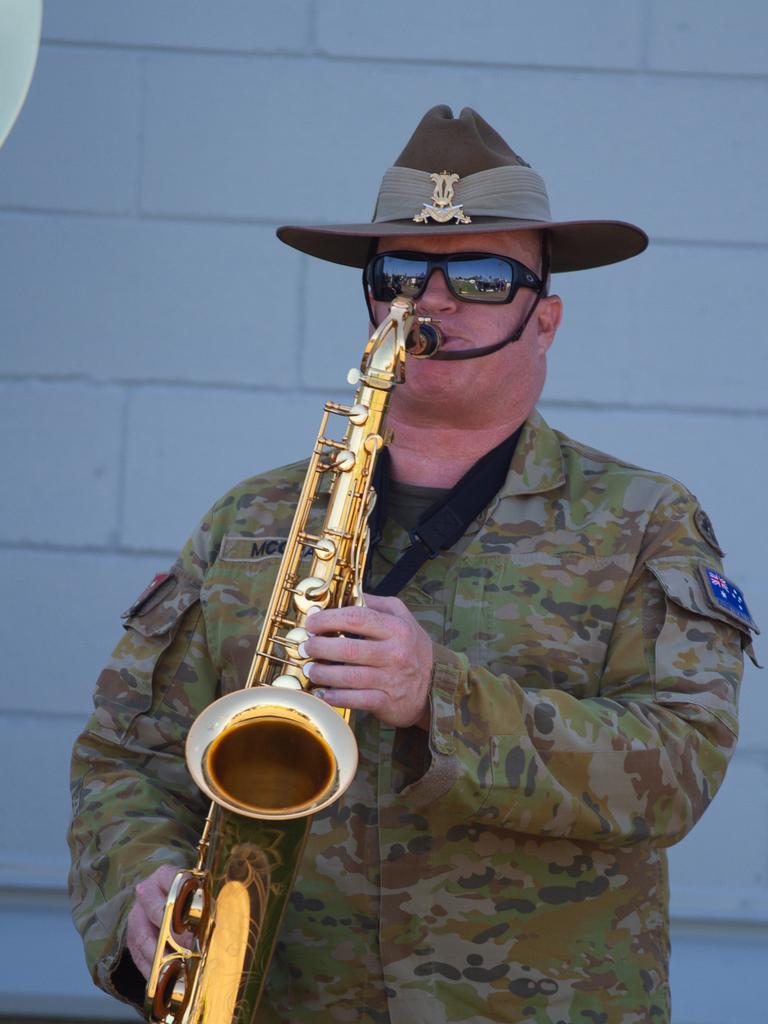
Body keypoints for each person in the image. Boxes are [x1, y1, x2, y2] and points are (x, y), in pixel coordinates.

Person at [68, 106, 759, 1024]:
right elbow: (125, 754)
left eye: (479, 276)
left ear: (544, 319)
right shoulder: (251, 517)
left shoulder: (645, 522)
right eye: (398, 273)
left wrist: (445, 697)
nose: (427, 302)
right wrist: (140, 890)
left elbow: (677, 771)